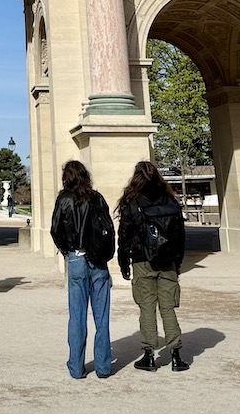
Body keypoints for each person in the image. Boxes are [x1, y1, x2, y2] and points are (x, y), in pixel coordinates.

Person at [116, 160, 189, 372]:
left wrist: (123, 263)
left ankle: (149, 355)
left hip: (142, 260)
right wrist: (178, 261)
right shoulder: (170, 201)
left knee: (146, 308)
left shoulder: (132, 202)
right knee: (168, 308)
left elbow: (124, 237)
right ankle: (176, 354)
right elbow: (180, 236)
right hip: (167, 260)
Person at [50, 160, 113, 380]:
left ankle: (76, 367)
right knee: (102, 316)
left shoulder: (64, 199)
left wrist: (66, 250)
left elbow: (55, 230)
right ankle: (104, 366)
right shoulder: (97, 198)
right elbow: (109, 228)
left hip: (76, 257)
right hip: (98, 261)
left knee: (76, 316)